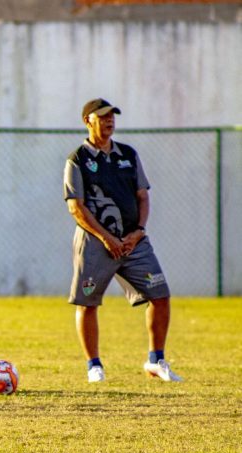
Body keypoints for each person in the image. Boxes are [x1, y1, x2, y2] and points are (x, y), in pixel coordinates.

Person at [63, 98, 182, 383]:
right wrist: (107, 238)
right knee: (87, 302)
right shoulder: (78, 158)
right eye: (102, 116)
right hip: (95, 243)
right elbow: (75, 207)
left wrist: (138, 231)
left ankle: (156, 360)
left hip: (133, 241)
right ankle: (94, 366)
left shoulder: (128, 154)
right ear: (87, 121)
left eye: (112, 116)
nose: (109, 121)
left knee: (160, 295)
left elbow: (143, 195)